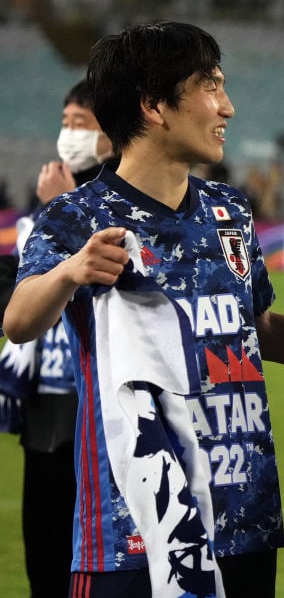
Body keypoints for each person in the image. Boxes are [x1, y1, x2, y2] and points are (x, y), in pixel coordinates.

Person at [2, 20, 284, 598]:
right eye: (210, 86)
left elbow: (263, 332)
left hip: (242, 520)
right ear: (153, 105)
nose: (227, 107)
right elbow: (20, 320)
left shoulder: (230, 210)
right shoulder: (78, 215)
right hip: (133, 529)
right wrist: (69, 271)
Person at [0, 78, 115, 598]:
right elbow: (13, 295)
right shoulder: (41, 206)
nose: (68, 134)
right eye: (65, 123)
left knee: (91, 559)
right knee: (42, 557)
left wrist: (63, 208)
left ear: (111, 133)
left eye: (81, 124)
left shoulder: (122, 199)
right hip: (45, 406)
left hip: (97, 405)